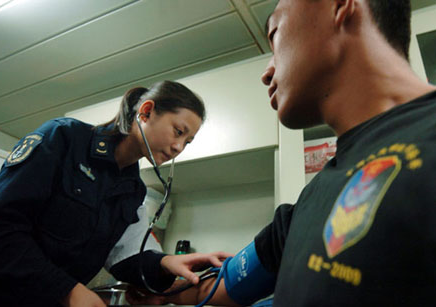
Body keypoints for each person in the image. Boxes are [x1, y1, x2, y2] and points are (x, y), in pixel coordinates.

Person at [126, 0, 436, 306]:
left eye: (274, 34)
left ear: (339, 6)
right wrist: (159, 292)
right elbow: (220, 287)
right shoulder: (303, 211)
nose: (267, 71)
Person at [0, 80, 231, 307]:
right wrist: (67, 290)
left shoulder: (134, 192)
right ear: (145, 112)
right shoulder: (64, 138)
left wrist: (166, 263)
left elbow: (125, 259)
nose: (179, 147)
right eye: (178, 131)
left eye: (188, 142)